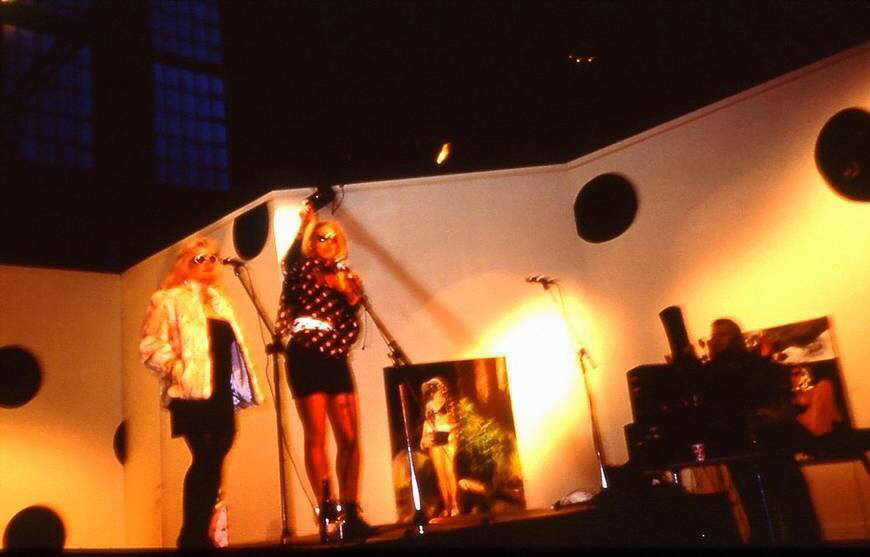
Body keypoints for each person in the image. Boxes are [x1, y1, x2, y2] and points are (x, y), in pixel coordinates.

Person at [140, 237, 262, 548]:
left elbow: (233, 350)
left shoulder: (221, 303)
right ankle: (191, 536)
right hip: (190, 393)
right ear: (184, 264)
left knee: (216, 459)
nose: (207, 264)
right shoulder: (168, 299)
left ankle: (198, 533)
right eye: (199, 259)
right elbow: (151, 346)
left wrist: (240, 385)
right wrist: (178, 370)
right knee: (206, 456)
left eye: (212, 258)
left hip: (220, 392)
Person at [275, 202, 374, 540]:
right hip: (306, 354)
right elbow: (289, 261)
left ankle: (351, 510)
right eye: (321, 238)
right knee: (316, 433)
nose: (328, 242)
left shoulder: (347, 278)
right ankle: (327, 509)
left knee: (350, 437)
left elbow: (351, 329)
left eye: (333, 238)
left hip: (335, 356)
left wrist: (351, 297)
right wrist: (306, 225)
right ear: (311, 244)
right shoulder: (301, 270)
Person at [700, 318, 821, 545]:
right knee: (755, 504)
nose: (716, 340)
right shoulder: (715, 371)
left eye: (723, 334)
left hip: (768, 443)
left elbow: (764, 394)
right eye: (714, 335)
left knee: (789, 501)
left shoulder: (752, 365)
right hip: (739, 446)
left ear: (736, 338)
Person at [420, 377, 461, 518]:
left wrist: (451, 434)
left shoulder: (449, 409)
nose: (434, 394)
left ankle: (455, 504)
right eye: (432, 392)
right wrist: (425, 440)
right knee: (440, 474)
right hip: (435, 443)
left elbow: (455, 427)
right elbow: (425, 434)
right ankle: (447, 505)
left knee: (449, 472)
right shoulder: (429, 414)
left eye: (436, 390)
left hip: (448, 442)